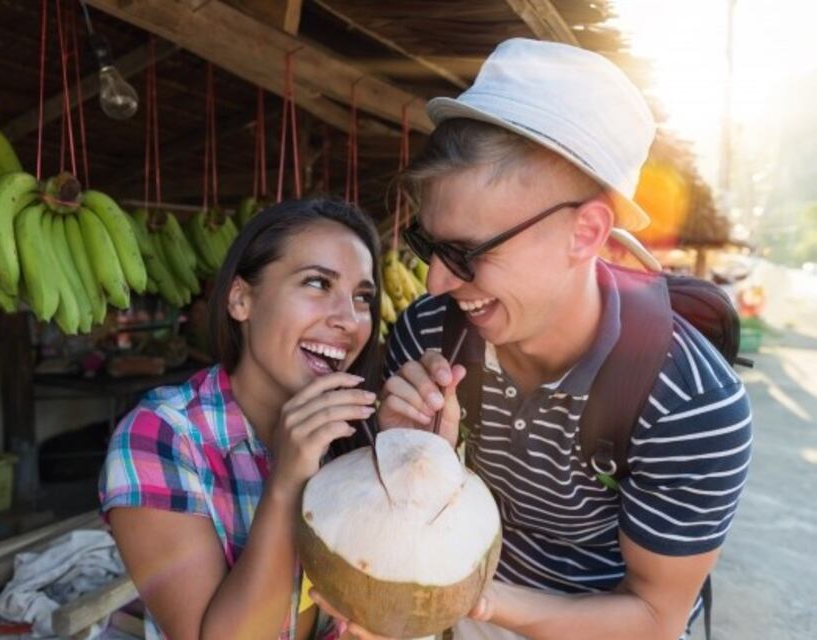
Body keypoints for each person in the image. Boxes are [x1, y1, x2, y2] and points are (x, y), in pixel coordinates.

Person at [314, 39, 753, 640]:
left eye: (467, 253)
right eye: (429, 247)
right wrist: (404, 456)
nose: (439, 281)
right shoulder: (432, 331)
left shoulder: (689, 403)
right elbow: (410, 523)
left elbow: (655, 616)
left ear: (586, 232)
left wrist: (476, 603)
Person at [100, 198, 383, 640]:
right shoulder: (160, 438)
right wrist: (287, 481)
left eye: (362, 297)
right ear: (240, 299)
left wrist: (413, 456)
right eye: (316, 283)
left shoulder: (355, 437)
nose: (348, 319)